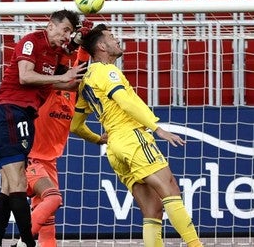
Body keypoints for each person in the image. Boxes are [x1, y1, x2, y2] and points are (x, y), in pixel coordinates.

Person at [70, 24, 203, 247]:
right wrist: (156, 127)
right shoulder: (106, 70)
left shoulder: (86, 81)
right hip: (132, 138)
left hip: (114, 147)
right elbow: (125, 100)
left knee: (153, 209)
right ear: (102, 46)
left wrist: (97, 138)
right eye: (111, 37)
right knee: (170, 189)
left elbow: (75, 125)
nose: (117, 40)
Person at [0, 9, 87, 247]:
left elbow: (70, 81)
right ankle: (26, 243)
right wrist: (63, 78)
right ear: (50, 25)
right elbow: (25, 76)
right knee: (18, 184)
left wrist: (81, 48)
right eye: (64, 30)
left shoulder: (56, 55)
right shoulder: (31, 41)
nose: (66, 36)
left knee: (8, 188)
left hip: (24, 115)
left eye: (70, 32)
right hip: (9, 111)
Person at [25, 41, 107, 247]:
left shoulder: (72, 96)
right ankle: (22, 242)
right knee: (52, 199)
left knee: (48, 216)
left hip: (50, 162)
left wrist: (85, 44)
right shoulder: (45, 91)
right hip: (30, 159)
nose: (75, 75)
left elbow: (80, 67)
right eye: (69, 72)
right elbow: (59, 66)